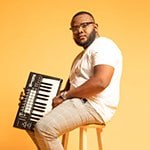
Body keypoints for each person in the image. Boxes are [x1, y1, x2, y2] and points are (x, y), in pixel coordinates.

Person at [22, 11, 123, 150]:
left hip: (93, 105)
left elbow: (101, 82)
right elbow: (67, 91)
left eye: (84, 25)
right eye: (75, 28)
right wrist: (32, 99)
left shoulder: (103, 45)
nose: (79, 30)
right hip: (76, 102)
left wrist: (65, 96)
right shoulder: (80, 57)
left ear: (95, 27)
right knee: (29, 120)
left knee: (44, 128)